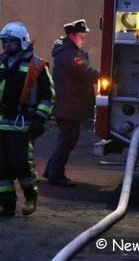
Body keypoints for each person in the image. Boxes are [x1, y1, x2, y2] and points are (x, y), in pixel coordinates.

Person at [0, 22, 54, 217]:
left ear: (21, 41)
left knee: (21, 162)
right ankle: (6, 205)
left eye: (10, 42)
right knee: (0, 164)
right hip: (2, 120)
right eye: (4, 42)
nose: (6, 45)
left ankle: (31, 197)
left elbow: (48, 96)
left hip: (23, 122)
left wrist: (39, 118)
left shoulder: (37, 66)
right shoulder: (0, 63)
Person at [43, 19, 100, 187]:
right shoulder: (69, 54)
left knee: (67, 138)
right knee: (68, 139)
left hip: (68, 105)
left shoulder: (68, 52)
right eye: (81, 35)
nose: (84, 38)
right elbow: (84, 72)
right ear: (71, 35)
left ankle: (52, 169)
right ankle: (55, 173)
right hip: (68, 106)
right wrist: (105, 76)